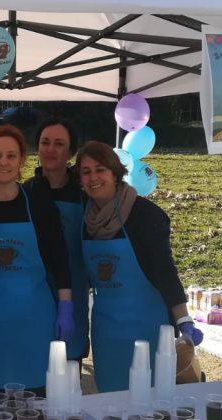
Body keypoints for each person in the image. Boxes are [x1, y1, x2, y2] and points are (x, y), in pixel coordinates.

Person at [75, 141, 200, 392]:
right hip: (106, 330)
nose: (93, 177)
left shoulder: (144, 215)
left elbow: (165, 270)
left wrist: (183, 319)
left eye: (100, 169)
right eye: (86, 172)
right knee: (110, 398)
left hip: (148, 327)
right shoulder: (85, 218)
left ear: (115, 173)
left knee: (149, 398)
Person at [0, 124, 73, 393]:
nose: (3, 162)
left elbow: (59, 256)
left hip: (34, 320)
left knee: (34, 402)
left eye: (11, 156)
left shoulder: (39, 204)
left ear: (22, 160)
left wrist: (65, 306)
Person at [24, 117, 90, 360]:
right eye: (45, 142)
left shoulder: (84, 194)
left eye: (59, 144)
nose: (50, 149)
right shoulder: (26, 191)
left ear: (71, 152)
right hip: (33, 295)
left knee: (68, 370)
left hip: (73, 297)